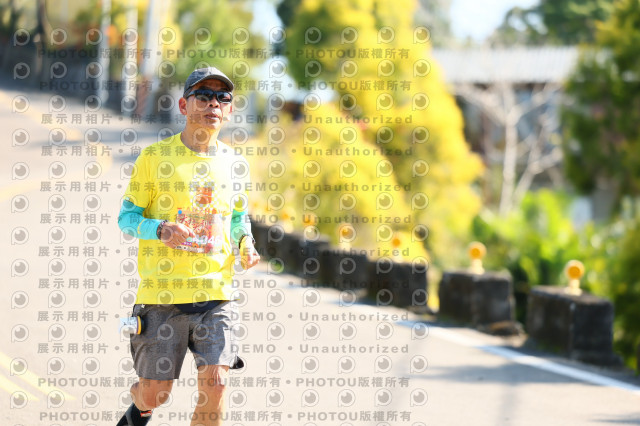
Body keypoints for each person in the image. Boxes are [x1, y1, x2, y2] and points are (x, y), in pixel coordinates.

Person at [116, 66, 260, 426]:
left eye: (222, 97)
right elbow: (127, 218)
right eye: (203, 96)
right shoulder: (154, 158)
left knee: (217, 383)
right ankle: (141, 407)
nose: (213, 103)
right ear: (184, 105)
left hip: (217, 294)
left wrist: (245, 242)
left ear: (229, 109)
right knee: (155, 394)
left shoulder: (235, 164)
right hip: (162, 296)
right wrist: (160, 228)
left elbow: (237, 218)